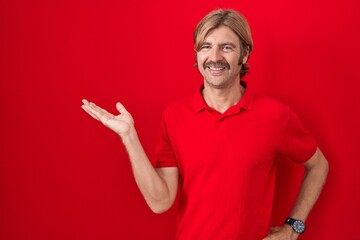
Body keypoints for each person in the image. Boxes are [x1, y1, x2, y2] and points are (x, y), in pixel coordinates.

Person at [81, 9, 329, 240]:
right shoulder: (174, 116)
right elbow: (160, 202)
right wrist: (129, 137)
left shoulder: (276, 115)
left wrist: (294, 227)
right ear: (197, 54)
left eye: (227, 47)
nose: (214, 57)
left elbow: (318, 165)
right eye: (206, 47)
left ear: (245, 54)